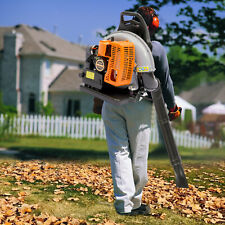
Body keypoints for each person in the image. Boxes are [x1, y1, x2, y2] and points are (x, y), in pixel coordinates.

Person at [101, 6, 181, 215]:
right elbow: (165, 82)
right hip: (138, 105)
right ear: (152, 25)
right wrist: (172, 108)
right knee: (138, 156)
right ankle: (134, 204)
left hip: (111, 102)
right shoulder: (155, 48)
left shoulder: (113, 40)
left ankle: (123, 205)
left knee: (119, 152)